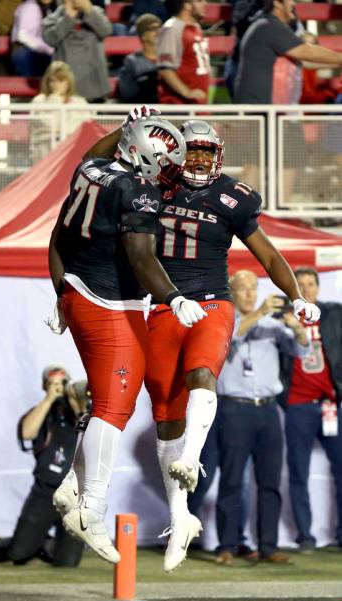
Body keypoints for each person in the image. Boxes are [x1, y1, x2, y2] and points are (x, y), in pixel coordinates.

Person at [77, 112, 321, 572]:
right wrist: (127, 130)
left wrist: (296, 296)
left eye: (207, 151)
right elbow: (91, 165)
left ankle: (192, 458)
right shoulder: (151, 184)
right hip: (161, 308)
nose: (198, 159)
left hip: (210, 301)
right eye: (191, 149)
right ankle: (179, 515)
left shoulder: (233, 196)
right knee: (165, 415)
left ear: (219, 155)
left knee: (202, 372)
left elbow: (267, 253)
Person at [48, 113, 210, 564]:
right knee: (114, 406)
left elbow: (57, 237)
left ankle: (73, 487)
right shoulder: (134, 189)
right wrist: (173, 297)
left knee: (109, 399)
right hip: (109, 303)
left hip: (81, 292)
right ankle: (91, 507)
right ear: (144, 155)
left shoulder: (91, 169)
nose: (171, 171)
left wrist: (61, 291)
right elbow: (140, 257)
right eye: (167, 161)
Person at [213, 270, 309, 565]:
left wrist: (296, 327)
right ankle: (227, 545)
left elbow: (302, 350)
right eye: (242, 288)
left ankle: (268, 546)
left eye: (253, 288)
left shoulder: (272, 324)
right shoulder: (222, 321)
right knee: (231, 480)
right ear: (231, 292)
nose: (249, 293)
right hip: (235, 408)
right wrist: (259, 313)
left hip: (268, 409)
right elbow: (231, 339)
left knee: (269, 481)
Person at [0, 366, 88, 567]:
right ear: (45, 386)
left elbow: (89, 432)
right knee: (18, 554)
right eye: (54, 383)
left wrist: (78, 404)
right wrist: (49, 399)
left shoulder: (82, 411)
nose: (60, 387)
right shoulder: (44, 412)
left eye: (63, 382)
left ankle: (42, 545)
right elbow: (27, 433)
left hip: (75, 495)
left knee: (67, 562)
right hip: (46, 492)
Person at [283, 268, 342, 553]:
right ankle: (305, 535)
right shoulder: (283, 317)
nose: (306, 289)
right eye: (300, 284)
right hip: (298, 406)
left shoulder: (334, 314)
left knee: (341, 471)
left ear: (318, 288)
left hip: (331, 404)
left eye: (310, 284)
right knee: (298, 472)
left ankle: (340, 534)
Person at [235, 0, 342, 104]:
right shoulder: (269, 27)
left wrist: (338, 62)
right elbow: (308, 52)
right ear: (277, 2)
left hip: (264, 111)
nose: (293, 3)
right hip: (259, 112)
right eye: (290, 0)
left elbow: (304, 62)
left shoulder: (266, 24)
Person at [42, 0, 113, 102]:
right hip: (65, 85)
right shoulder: (55, 17)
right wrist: (68, 18)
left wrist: (90, 11)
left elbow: (106, 31)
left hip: (94, 83)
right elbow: (50, 39)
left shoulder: (96, 12)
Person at [29, 60, 89, 163]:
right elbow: (49, 124)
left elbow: (84, 128)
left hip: (72, 151)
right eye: (52, 81)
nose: (56, 85)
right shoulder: (39, 101)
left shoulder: (80, 102)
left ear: (68, 82)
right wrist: (55, 99)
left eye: (61, 81)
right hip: (45, 150)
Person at [156, 0, 210, 105]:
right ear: (186, 5)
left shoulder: (196, 27)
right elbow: (165, 68)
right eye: (199, 1)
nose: (205, 3)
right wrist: (187, 92)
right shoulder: (172, 28)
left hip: (197, 104)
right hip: (179, 105)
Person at [117, 13, 161, 104]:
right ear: (143, 36)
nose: (159, 32)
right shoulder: (132, 61)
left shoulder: (170, 59)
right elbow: (127, 94)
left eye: (160, 28)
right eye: (154, 29)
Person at [11, 0, 56, 77]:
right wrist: (49, 50)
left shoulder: (53, 9)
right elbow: (23, 36)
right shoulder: (30, 7)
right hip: (27, 51)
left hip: (43, 51)